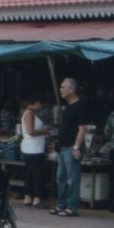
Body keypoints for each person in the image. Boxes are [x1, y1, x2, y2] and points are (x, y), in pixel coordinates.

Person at [51, 78, 88, 217]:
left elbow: (82, 128)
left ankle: (72, 207)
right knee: (60, 177)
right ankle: (61, 204)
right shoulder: (68, 107)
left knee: (72, 178)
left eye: (63, 87)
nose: (61, 89)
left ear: (71, 89)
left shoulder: (80, 106)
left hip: (71, 146)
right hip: (63, 147)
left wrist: (77, 147)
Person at [19, 96, 50, 207]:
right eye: (40, 105)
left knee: (30, 172)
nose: (40, 107)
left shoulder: (28, 114)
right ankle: (36, 198)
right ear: (36, 102)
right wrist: (44, 132)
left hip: (31, 148)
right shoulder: (29, 114)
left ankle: (28, 197)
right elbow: (31, 131)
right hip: (34, 148)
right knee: (37, 173)